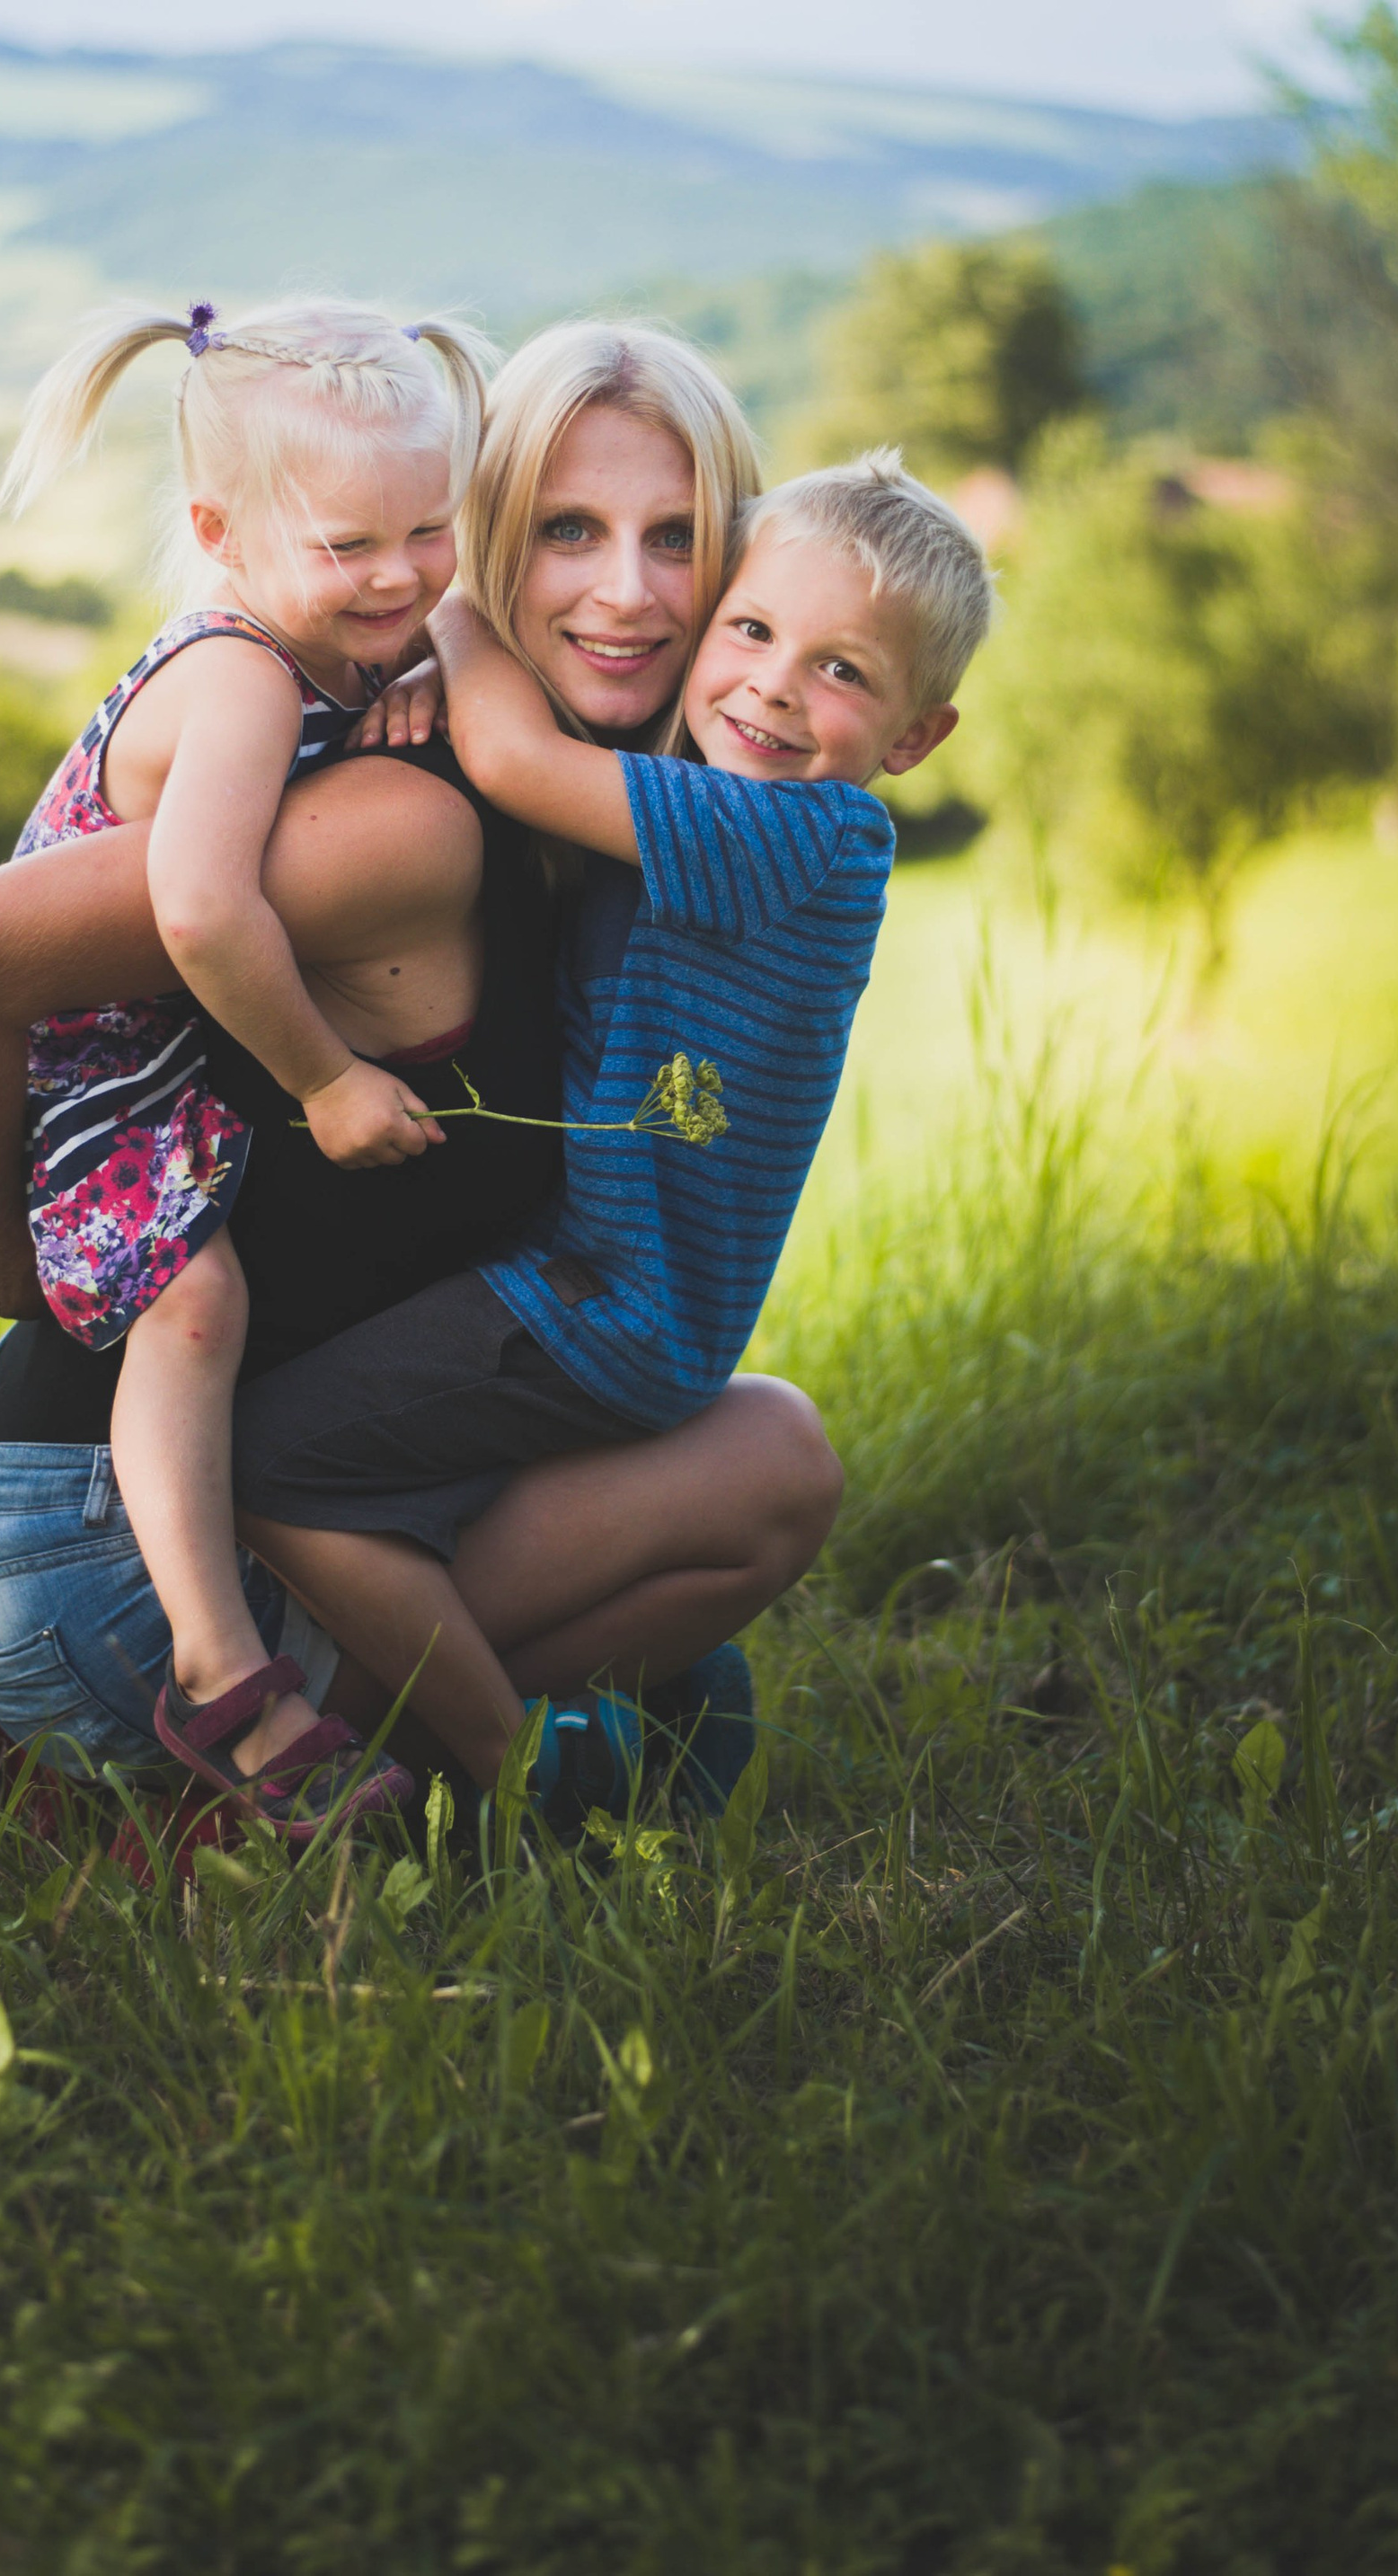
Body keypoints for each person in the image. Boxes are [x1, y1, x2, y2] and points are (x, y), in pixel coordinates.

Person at [0, 323, 875, 1832]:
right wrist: (14, 1268)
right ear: (485, 554)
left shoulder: (621, 819)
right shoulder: (408, 822)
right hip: (101, 1525)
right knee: (720, 1524)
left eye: (678, 540)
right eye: (566, 533)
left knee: (768, 1464)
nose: (629, 592)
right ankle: (185, 1794)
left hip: (262, 1460)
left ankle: (180, 1754)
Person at [214, 446, 993, 1800]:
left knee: (273, 1464)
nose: (772, 686)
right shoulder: (699, 802)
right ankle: (550, 1725)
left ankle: (515, 1771)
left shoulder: (802, 839)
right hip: (621, 1301)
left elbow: (512, 757)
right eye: (751, 630)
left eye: (845, 672)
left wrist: (452, 613)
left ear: (916, 741)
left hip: (599, 1303)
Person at [0, 293, 488, 1836]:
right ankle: (214, 1666)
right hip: (103, 1061)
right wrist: (331, 1080)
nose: (399, 574)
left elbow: (436, 617)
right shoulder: (243, 675)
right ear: (219, 528)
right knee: (196, 1305)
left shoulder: (328, 644)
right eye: (351, 548)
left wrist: (429, 657)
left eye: (431, 530)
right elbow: (198, 910)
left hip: (176, 1041)